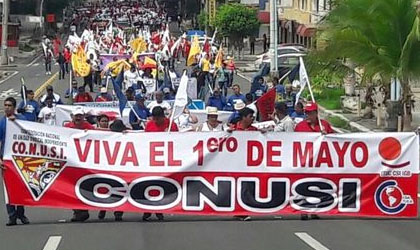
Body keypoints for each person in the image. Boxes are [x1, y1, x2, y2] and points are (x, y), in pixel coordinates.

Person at [143, 106, 178, 221]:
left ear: (163, 117)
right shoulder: (149, 125)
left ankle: (159, 210)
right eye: (155, 119)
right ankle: (147, 210)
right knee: (149, 184)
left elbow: (179, 140)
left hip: (166, 160)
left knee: (162, 185)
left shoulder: (171, 125)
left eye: (158, 119)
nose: (156, 121)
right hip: (152, 159)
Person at [0, 97, 29, 226]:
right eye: (5, 105)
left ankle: (21, 213)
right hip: (6, 159)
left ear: (14, 107)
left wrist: (16, 122)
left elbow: (29, 133)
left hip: (20, 158)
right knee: (8, 188)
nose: (7, 107)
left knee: (21, 186)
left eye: (9, 105)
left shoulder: (22, 119)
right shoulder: (1, 122)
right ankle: (11, 215)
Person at [64, 107, 94, 222]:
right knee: (71, 186)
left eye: (80, 116)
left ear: (83, 117)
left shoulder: (89, 128)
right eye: (76, 116)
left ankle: (83, 209)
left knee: (84, 185)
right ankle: (77, 211)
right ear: (72, 117)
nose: (78, 118)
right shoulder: (66, 128)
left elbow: (102, 135)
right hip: (71, 162)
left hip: (85, 162)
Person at [98, 119, 127, 221]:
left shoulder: (127, 137)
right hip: (108, 166)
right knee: (106, 188)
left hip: (120, 167)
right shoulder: (106, 136)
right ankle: (103, 208)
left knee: (117, 189)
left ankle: (117, 211)